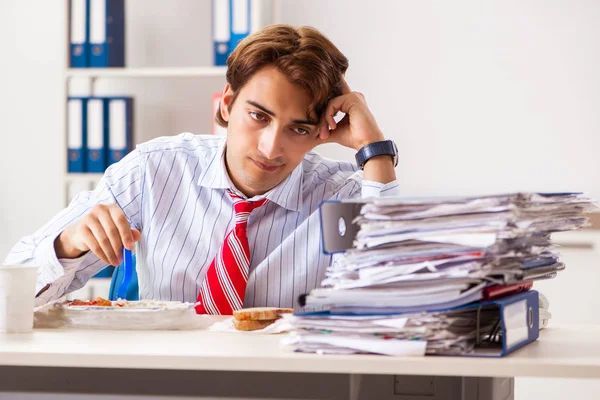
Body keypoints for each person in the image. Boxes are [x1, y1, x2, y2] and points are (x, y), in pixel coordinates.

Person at [5, 24, 400, 313]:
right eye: (258, 116)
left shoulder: (343, 194)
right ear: (227, 103)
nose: (271, 146)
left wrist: (374, 150)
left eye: (298, 128)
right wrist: (68, 243)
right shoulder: (152, 171)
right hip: (163, 383)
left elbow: (395, 299)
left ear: (321, 132)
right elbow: (11, 291)